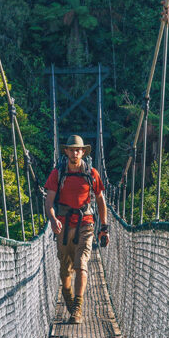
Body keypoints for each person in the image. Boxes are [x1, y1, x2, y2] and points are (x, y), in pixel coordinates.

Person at [44, 135, 108, 324]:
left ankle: (77, 308)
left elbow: (100, 200)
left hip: (85, 223)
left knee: (82, 264)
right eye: (71, 149)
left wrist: (104, 227)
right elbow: (48, 202)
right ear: (66, 151)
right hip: (63, 225)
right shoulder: (58, 173)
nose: (75, 153)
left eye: (78, 149)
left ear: (83, 151)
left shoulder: (91, 173)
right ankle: (68, 298)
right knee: (65, 270)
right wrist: (53, 219)